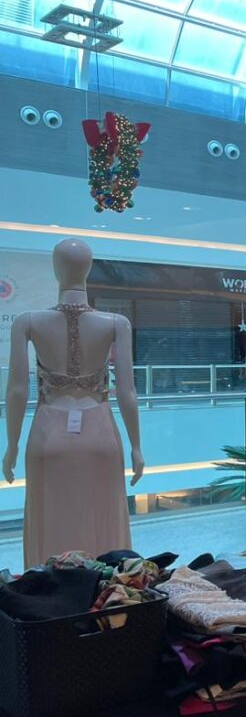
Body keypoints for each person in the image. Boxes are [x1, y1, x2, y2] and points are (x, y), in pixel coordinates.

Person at [4, 238, 144, 566]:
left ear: (56, 270)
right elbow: (127, 391)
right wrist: (137, 446)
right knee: (104, 526)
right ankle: (106, 591)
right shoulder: (116, 323)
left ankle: (52, 593)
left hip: (47, 434)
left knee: (49, 526)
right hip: (101, 434)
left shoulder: (27, 321)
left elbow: (17, 391)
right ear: (88, 269)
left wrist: (11, 445)